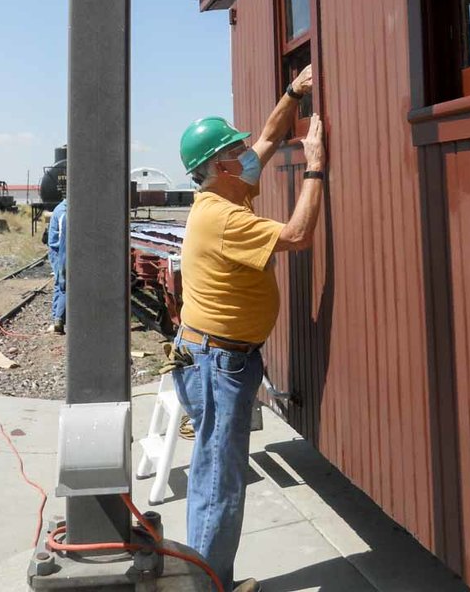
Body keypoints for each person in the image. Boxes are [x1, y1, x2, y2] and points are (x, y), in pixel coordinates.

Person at [173, 64, 325, 592]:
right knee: (219, 478)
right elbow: (299, 233)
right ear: (219, 166)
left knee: (215, 471)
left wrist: (292, 92)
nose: (245, 153)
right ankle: (209, 586)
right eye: (233, 150)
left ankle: (207, 579)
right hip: (218, 361)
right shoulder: (223, 215)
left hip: (214, 356)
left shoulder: (228, 190)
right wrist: (316, 168)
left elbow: (267, 136)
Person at [46, 197, 67, 334]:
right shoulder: (64, 212)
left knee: (60, 285)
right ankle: (58, 319)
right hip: (60, 251)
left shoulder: (60, 208)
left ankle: (56, 318)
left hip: (58, 251)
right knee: (64, 284)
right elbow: (63, 240)